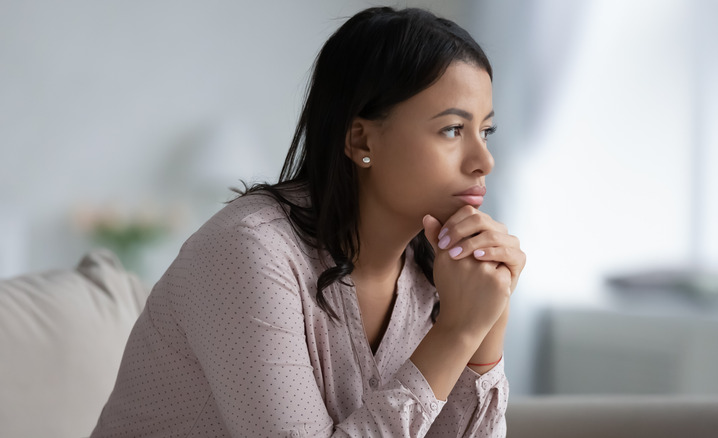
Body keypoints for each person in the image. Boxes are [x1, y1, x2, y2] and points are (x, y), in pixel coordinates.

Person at [91, 6, 525, 438]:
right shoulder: (247, 251)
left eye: (486, 132)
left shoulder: (439, 270)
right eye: (452, 130)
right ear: (361, 140)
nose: (484, 160)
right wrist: (457, 331)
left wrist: (487, 326)